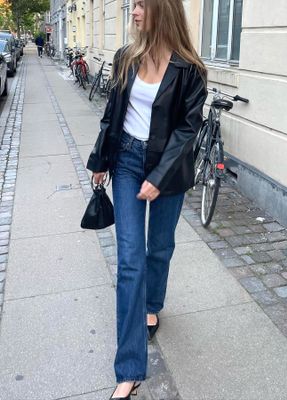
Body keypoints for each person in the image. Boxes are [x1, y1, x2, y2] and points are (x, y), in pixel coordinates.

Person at [86, 0, 207, 398]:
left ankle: (152, 304)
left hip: (168, 169)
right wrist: (100, 159)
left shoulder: (190, 69)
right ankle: (130, 370)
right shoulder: (125, 57)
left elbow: (187, 131)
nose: (133, 12)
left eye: (140, 5)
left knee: (160, 248)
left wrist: (159, 176)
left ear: (162, 10)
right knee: (130, 261)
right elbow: (112, 115)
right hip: (126, 163)